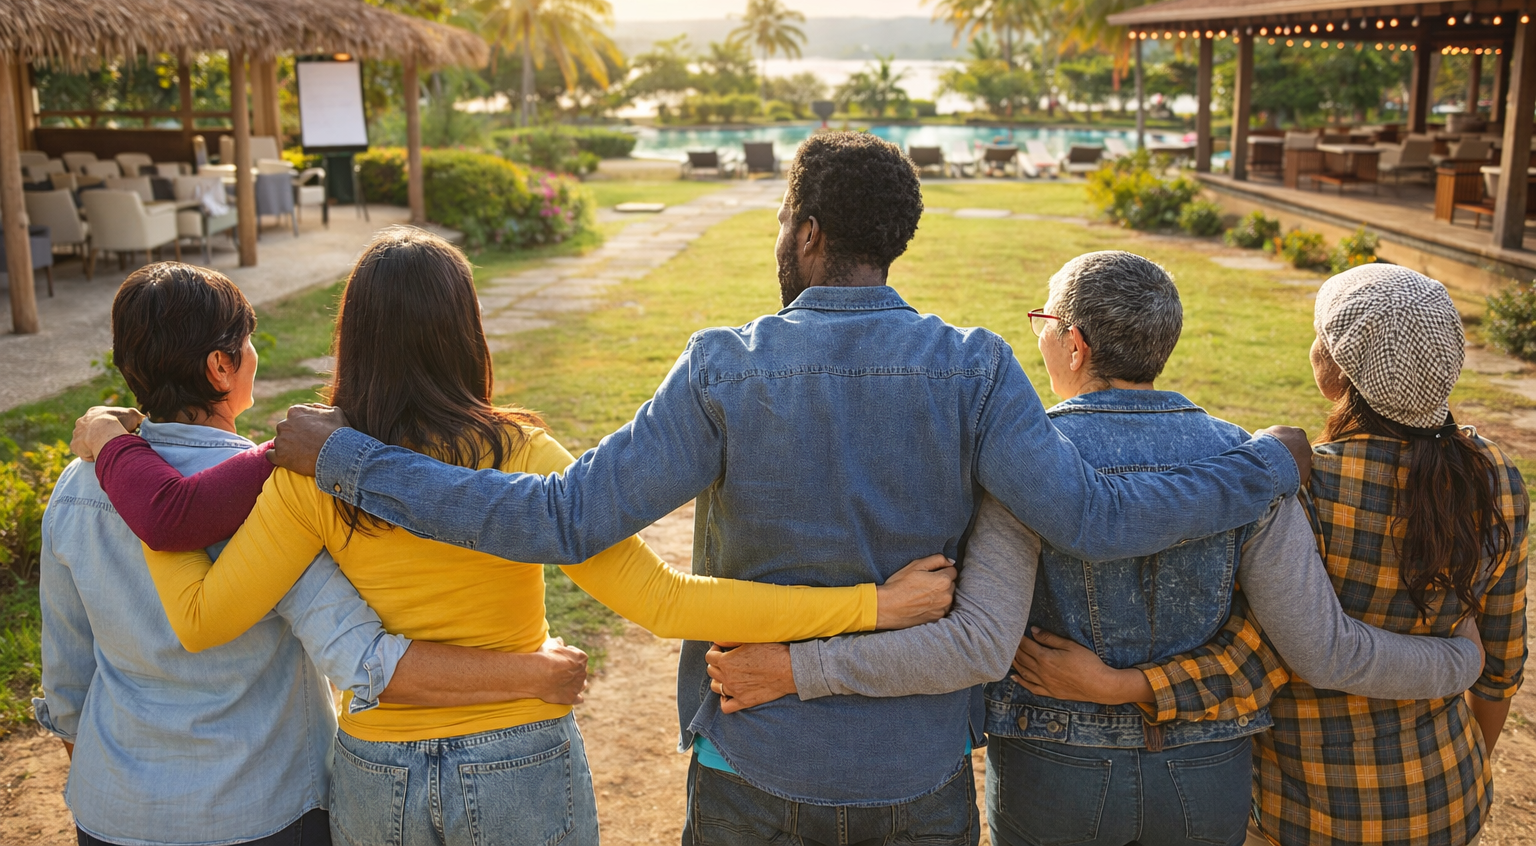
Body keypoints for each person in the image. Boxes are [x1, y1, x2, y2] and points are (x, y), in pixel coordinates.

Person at [259, 131, 1315, 844]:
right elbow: (1093, 517)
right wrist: (1261, 464)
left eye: (782, 222)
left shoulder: (727, 364)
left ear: (808, 232)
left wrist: (348, 457)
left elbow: (559, 517)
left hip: (751, 756)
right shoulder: (977, 366)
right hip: (918, 768)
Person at [75, 228, 954, 846]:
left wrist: (128, 456)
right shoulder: (521, 452)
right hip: (519, 757)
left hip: (379, 769)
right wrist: (872, 604)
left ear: (354, 333)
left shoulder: (314, 467)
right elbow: (665, 602)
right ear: (466, 330)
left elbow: (198, 617)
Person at [704, 251, 1486, 846]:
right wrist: (1459, 662)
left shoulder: (1028, 461)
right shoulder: (1249, 465)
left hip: (1058, 771)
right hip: (1205, 771)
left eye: (1042, 324)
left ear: (1073, 344)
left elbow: (978, 641)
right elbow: (1317, 644)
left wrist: (801, 667)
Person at [38, 262, 591, 846]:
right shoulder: (270, 498)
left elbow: (67, 675)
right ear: (220, 367)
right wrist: (535, 672)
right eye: (246, 344)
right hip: (259, 809)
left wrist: (108, 780)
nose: (253, 356)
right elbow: (365, 659)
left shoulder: (76, 490)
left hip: (109, 810)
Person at [1015, 263, 1527, 846]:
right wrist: (1469, 754)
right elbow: (1503, 664)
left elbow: (1252, 662)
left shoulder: (1302, 486)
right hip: (1449, 792)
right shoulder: (1495, 477)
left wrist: (1122, 685)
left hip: (1307, 807)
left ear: (1334, 372)